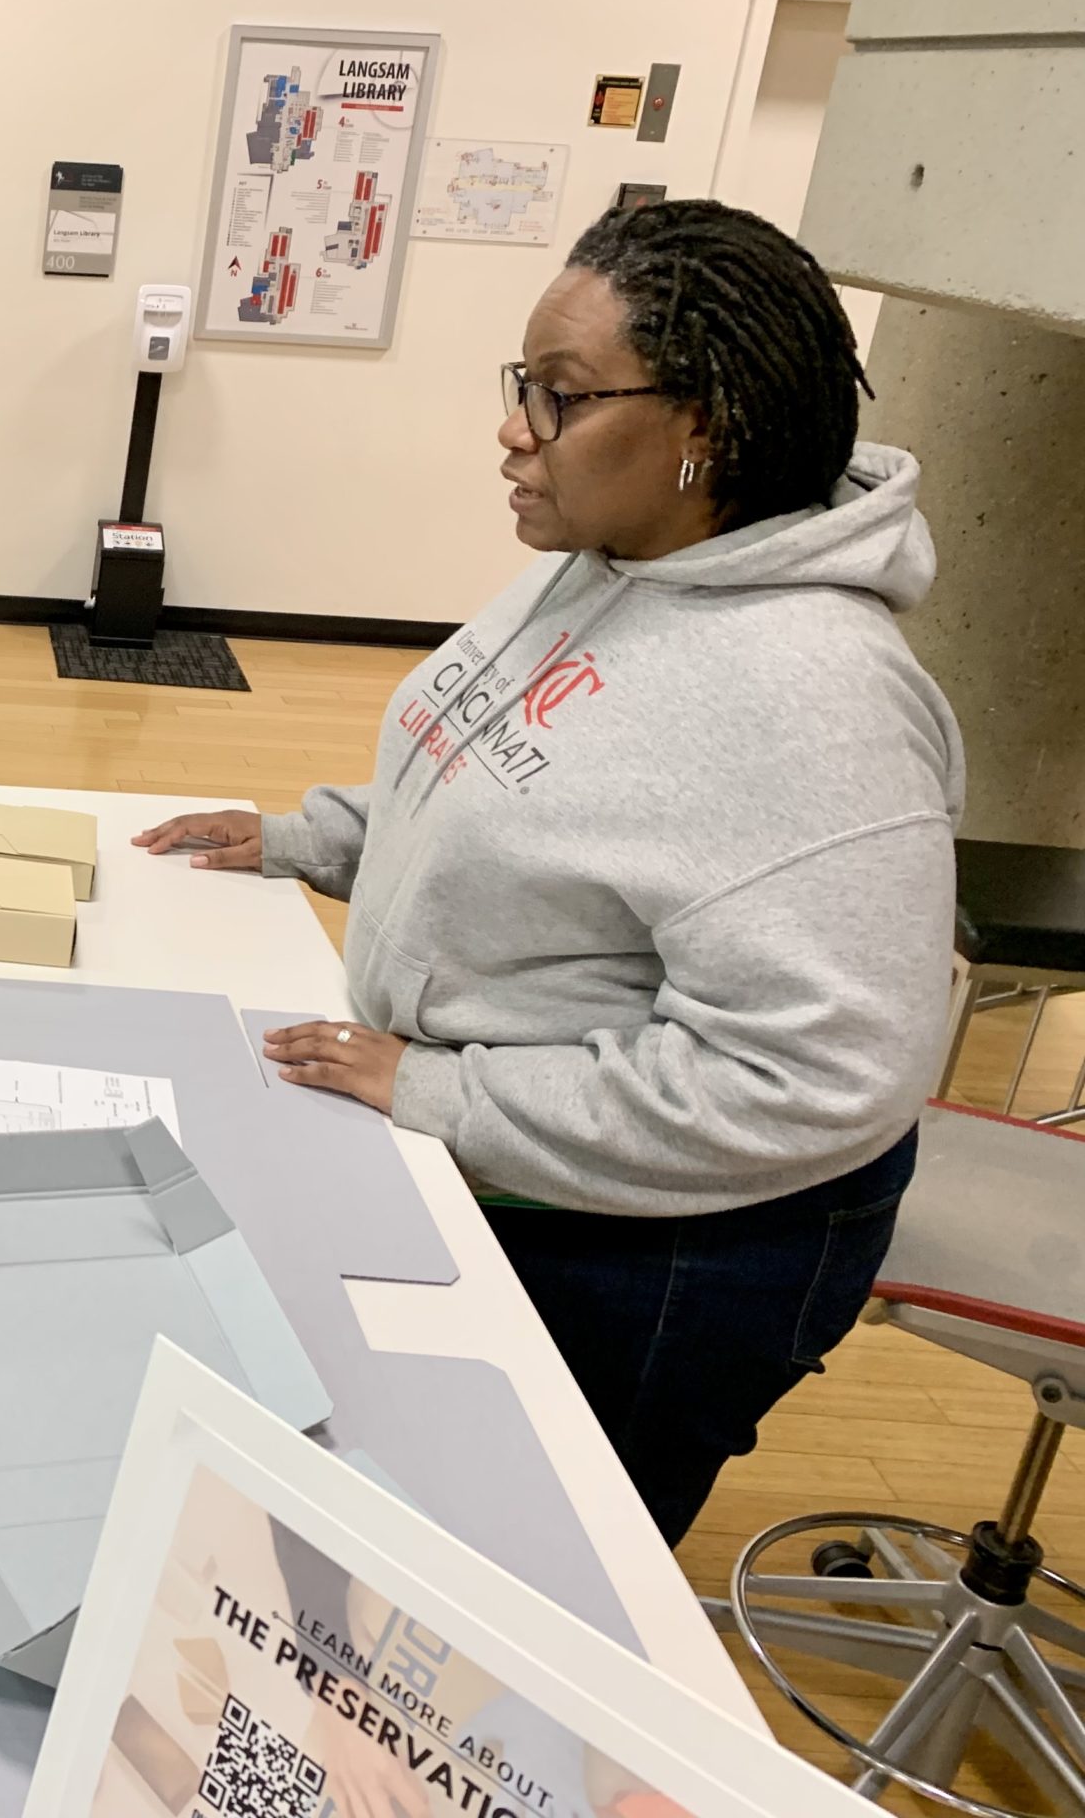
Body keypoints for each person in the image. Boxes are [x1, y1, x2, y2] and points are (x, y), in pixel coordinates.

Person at [137, 200, 962, 1546]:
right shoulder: (612, 562)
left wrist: (440, 1087)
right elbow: (503, 781)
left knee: (528, 1590)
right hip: (519, 1163)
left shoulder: (817, 698)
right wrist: (311, 838)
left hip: (664, 1256)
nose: (514, 430)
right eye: (522, 386)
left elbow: (812, 1081)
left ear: (709, 430)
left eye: (561, 399)